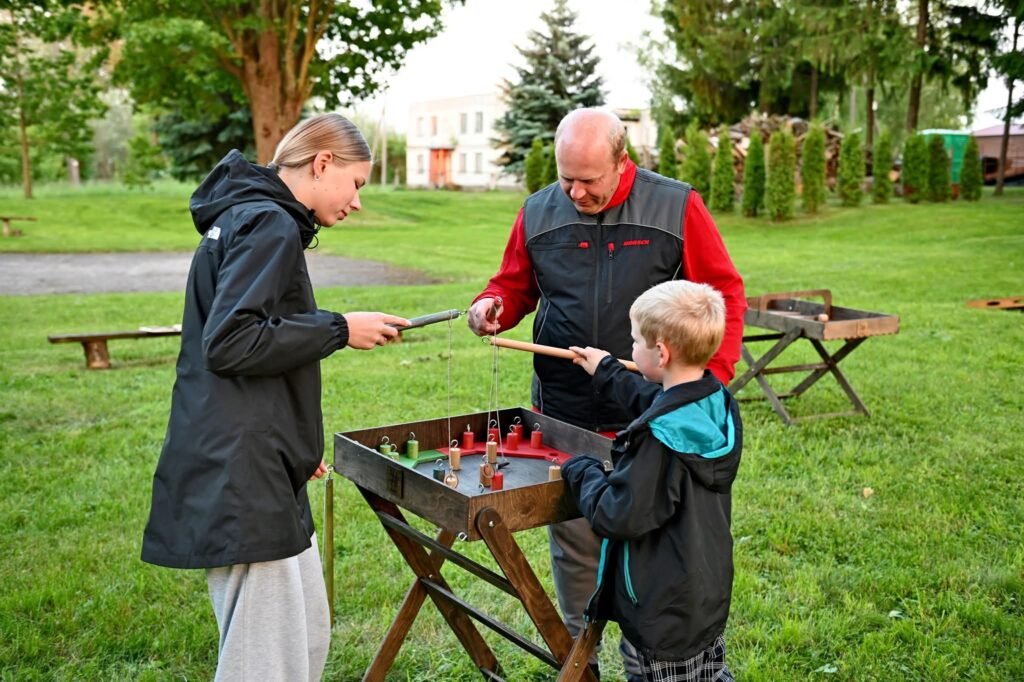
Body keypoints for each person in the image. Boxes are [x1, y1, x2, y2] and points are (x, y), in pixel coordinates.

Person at [467, 107, 746, 678]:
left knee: (660, 556)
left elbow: (722, 290)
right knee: (575, 555)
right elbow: (513, 285)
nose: (574, 191)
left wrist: (704, 384)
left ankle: (663, 649)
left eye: (588, 180)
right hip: (566, 417)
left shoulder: (676, 205)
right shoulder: (539, 210)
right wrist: (492, 306)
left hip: (652, 423)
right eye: (566, 177)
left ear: (623, 162)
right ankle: (581, 663)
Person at [141, 113, 409, 682]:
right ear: (321, 164)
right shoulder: (268, 223)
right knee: (265, 659)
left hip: (255, 459)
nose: (357, 202)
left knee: (302, 633)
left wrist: (293, 445)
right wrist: (338, 328)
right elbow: (231, 341)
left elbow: (254, 343)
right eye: (356, 184)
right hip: (239, 474)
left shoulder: (253, 216)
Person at [565, 279, 741, 682]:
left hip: (658, 605)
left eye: (633, 342)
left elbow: (616, 514)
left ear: (660, 352)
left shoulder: (659, 442)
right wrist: (607, 370)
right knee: (706, 674)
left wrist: (583, 470)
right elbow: (658, 402)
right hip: (701, 593)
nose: (630, 349)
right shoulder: (714, 401)